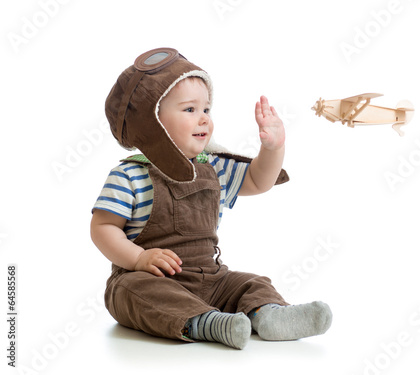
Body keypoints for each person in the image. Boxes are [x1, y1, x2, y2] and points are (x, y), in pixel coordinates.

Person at [90, 47, 332, 350]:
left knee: (251, 282)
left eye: (207, 109)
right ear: (151, 122)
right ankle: (205, 323)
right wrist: (138, 258)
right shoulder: (130, 176)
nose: (204, 119)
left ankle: (269, 314)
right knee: (130, 291)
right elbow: (102, 228)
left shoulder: (212, 167)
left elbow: (259, 180)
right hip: (151, 279)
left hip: (210, 279)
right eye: (190, 110)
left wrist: (273, 148)